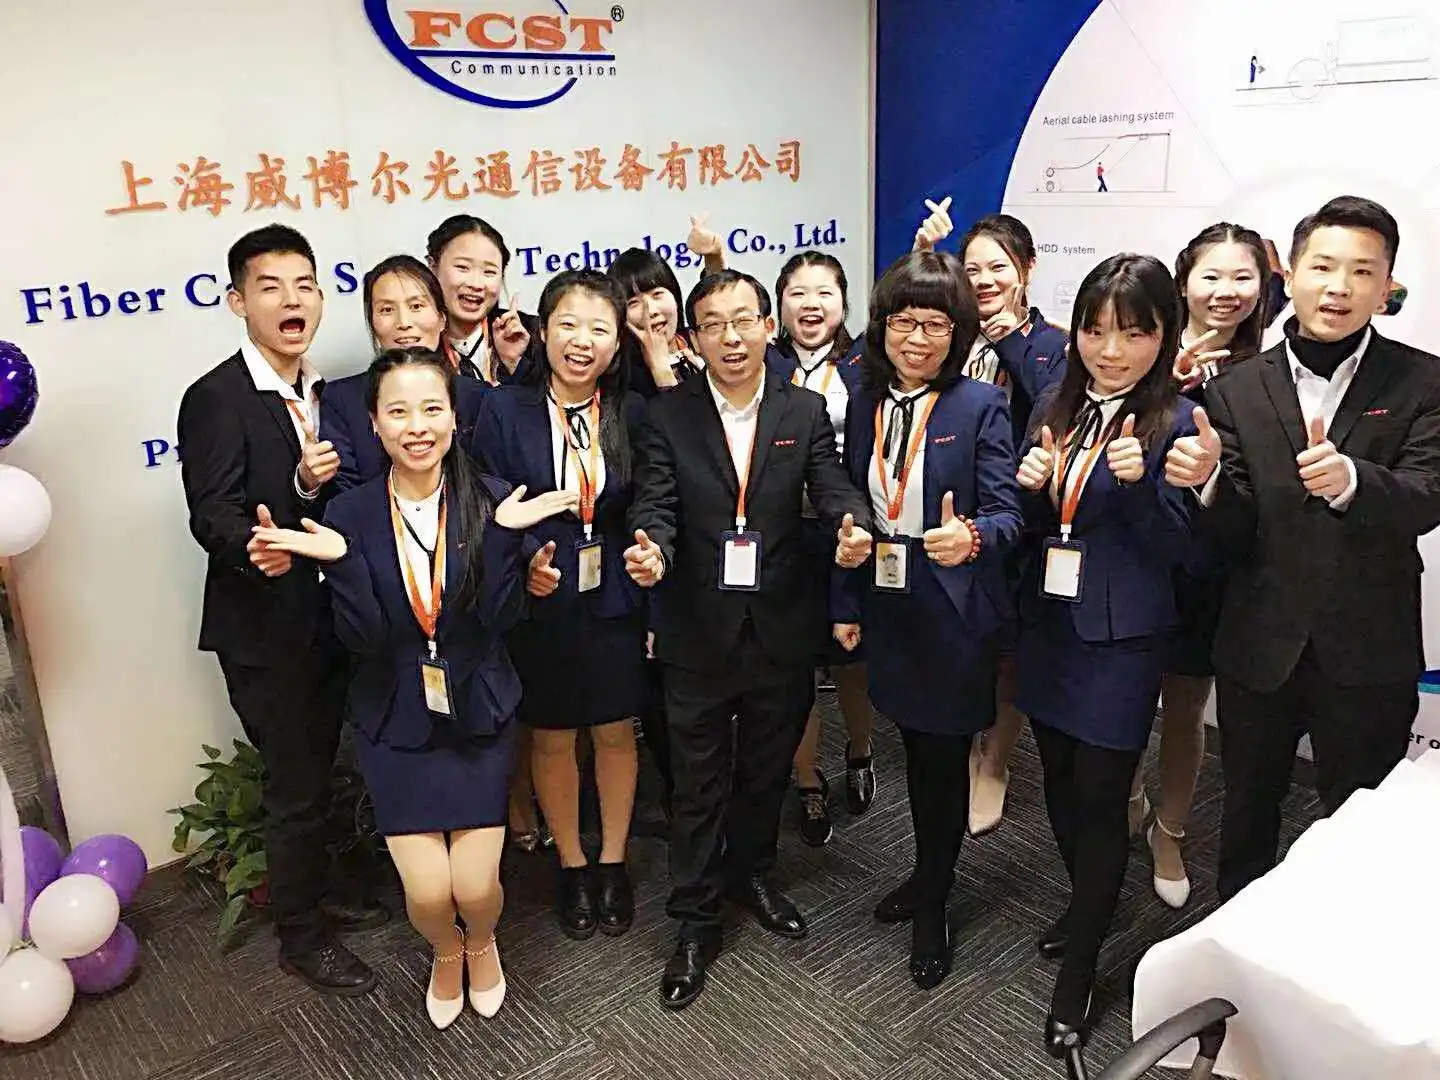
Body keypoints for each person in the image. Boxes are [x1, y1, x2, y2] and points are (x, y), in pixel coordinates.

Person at [252, 346, 577, 1028]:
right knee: (428, 896)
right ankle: (446, 950)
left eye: (432, 408)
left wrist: (501, 540)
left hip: (479, 713)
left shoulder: (494, 498)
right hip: (394, 718)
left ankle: (481, 941)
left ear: (455, 418)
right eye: (398, 412)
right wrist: (344, 564)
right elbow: (365, 639)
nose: (417, 426)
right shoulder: (350, 515)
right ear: (374, 424)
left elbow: (500, 620)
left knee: (476, 887)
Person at [1164, 195, 1440, 902]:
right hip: (1261, 645)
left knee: (1361, 830)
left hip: (1368, 648)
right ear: (1289, 275)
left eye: (1361, 271)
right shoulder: (1236, 386)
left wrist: (1356, 482)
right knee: (1247, 817)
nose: (1338, 287)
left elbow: (1429, 497)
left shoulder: (1424, 379)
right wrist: (1207, 484)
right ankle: (1233, 946)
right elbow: (1234, 530)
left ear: (1387, 286)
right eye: (1322, 266)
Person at [624, 268, 873, 1009]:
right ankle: (695, 919)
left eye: (743, 321)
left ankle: (754, 874)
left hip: (780, 625)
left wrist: (851, 523)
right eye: (713, 324)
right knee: (697, 782)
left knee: (768, 769)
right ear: (692, 339)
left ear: (768, 326)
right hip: (696, 628)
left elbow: (832, 484)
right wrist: (652, 550)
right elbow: (655, 502)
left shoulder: (803, 408)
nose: (730, 338)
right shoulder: (666, 414)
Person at [177, 224, 388, 996]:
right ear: (238, 302)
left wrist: (306, 488)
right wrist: (253, 546)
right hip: (266, 630)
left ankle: (321, 891)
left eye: (304, 285)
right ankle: (301, 938)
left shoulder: (328, 393)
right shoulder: (216, 397)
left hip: (329, 619)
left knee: (323, 767)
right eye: (270, 287)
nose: (291, 300)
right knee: (295, 786)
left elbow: (321, 495)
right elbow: (212, 511)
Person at [1014, 253, 1195, 1056]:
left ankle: (1082, 970)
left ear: (1163, 335)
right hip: (1049, 629)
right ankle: (1089, 900)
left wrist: (1141, 485)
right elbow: (1036, 528)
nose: (1110, 350)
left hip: (1121, 641)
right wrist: (1027, 489)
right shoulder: (1056, 403)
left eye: (1132, 332)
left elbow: (1184, 553)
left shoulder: (1179, 423)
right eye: (1094, 330)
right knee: (1057, 783)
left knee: (1102, 794)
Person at [832, 251, 1021, 987]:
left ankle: (936, 899)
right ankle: (926, 872)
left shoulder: (980, 405)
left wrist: (971, 534)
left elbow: (1008, 513)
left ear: (958, 331)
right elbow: (854, 503)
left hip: (951, 607)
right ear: (882, 326)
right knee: (914, 750)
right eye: (904, 321)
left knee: (942, 760)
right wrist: (847, 599)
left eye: (936, 324)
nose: (917, 338)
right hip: (889, 599)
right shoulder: (865, 399)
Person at [476, 270, 649, 940]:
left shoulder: (631, 411)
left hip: (614, 592)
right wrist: (524, 564)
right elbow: (489, 501)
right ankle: (572, 863)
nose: (582, 341)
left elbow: (647, 501)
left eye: (599, 329)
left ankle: (613, 860)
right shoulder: (504, 410)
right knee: (550, 735)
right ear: (544, 331)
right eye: (569, 325)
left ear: (616, 343)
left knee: (614, 729)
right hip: (542, 595)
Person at [914, 204, 1070, 837]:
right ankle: (955, 736)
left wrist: (1007, 342)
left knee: (1008, 651)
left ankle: (996, 761)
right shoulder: (951, 337)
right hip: (951, 512)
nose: (983, 280)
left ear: (1026, 269)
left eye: (997, 267)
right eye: (971, 268)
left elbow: (1052, 412)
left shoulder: (1052, 344)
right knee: (956, 633)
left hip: (1020, 518)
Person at [1135, 223, 1270, 910]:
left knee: (1185, 707)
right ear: (1183, 280)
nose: (1226, 291)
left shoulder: (1268, 373)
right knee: (1124, 696)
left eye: (1242, 277)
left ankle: (1170, 830)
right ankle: (1129, 801)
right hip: (1133, 557)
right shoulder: (1141, 348)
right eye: (1211, 276)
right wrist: (1166, 378)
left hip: (1206, 568)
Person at [764, 251, 875, 847]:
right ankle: (808, 779)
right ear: (779, 306)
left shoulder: (866, 363)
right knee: (797, 666)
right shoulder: (765, 361)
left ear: (844, 302)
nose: (811, 304)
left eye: (824, 292)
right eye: (798, 293)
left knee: (851, 656)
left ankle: (860, 749)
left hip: (847, 530)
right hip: (783, 534)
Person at [323, 256, 488, 492]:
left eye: (416, 306)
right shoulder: (342, 398)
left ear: (442, 318)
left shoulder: (479, 397)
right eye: (387, 309)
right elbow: (342, 490)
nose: (404, 322)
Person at [427, 214, 538, 387]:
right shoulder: (419, 342)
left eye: (489, 272)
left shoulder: (532, 336)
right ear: (433, 267)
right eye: (463, 267)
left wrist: (514, 364)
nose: (476, 284)